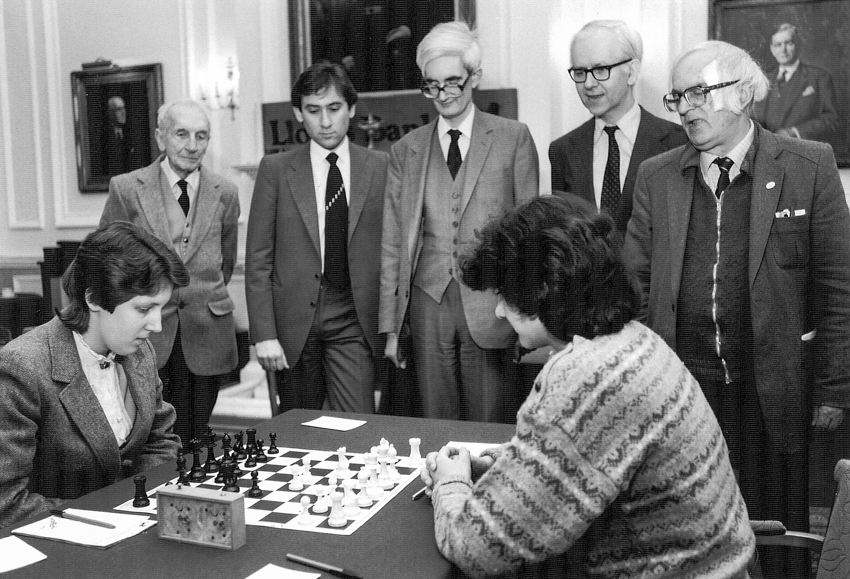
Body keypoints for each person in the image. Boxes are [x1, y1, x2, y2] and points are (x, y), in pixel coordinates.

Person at [419, 196, 754, 577]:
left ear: (542, 287)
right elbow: (580, 459)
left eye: (504, 295)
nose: (498, 311)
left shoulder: (583, 377)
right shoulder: (633, 339)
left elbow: (474, 549)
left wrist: (451, 484)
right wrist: (490, 468)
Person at [624, 40, 850, 578]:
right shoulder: (657, 176)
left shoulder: (808, 166)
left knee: (776, 540)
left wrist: (835, 390)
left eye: (700, 92)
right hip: (685, 396)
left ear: (745, 93)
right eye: (679, 96)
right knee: (693, 535)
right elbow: (631, 286)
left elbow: (839, 291)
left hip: (773, 396)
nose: (686, 107)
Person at [379, 21, 539, 422]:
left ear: (475, 78)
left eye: (453, 82)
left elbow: (530, 236)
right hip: (426, 303)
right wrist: (392, 327)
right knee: (436, 423)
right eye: (431, 85)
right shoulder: (406, 150)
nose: (443, 95)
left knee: (489, 424)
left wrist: (525, 312)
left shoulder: (512, 138)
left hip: (491, 305)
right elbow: (392, 244)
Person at [0, 222, 185, 528]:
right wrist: (110, 517)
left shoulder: (140, 351)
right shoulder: (22, 368)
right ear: (94, 299)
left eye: (161, 308)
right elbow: (7, 503)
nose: (157, 325)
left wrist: (142, 503)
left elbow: (160, 441)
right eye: (143, 309)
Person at [246, 61, 388, 413]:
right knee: (297, 431)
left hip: (354, 315)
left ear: (352, 109)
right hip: (293, 321)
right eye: (313, 110)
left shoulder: (380, 166)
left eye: (334, 108)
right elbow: (258, 259)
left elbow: (394, 250)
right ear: (298, 113)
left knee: (358, 426)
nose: (325, 122)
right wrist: (264, 334)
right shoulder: (275, 170)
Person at [100, 98, 240, 448]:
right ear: (161, 138)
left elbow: (226, 258)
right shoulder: (127, 188)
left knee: (196, 433)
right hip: (148, 333)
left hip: (207, 330)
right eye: (181, 134)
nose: (192, 146)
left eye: (201, 136)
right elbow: (105, 257)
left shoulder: (226, 192)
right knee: (153, 436)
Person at [548, 20, 686, 233]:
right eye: (579, 72)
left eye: (601, 69)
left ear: (631, 72)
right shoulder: (563, 150)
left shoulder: (678, 143)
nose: (588, 84)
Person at [753, 23, 838, 143]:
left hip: (800, 151)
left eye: (789, 43)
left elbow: (831, 120)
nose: (783, 50)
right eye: (778, 45)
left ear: (798, 45)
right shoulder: (763, 78)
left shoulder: (819, 77)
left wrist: (793, 132)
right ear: (772, 49)